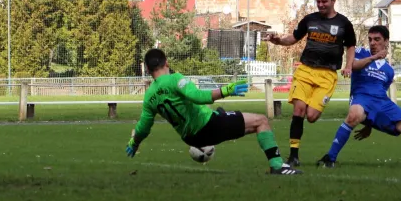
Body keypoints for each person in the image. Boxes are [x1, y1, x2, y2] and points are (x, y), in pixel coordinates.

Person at [125, 48, 303, 176]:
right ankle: (278, 166)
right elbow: (198, 96)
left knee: (241, 122)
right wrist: (226, 91)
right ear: (167, 62)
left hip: (191, 138)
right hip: (208, 126)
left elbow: (143, 127)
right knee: (261, 121)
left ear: (148, 70)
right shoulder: (174, 79)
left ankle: (222, 115)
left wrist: (134, 143)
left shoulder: (149, 96)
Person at [316, 25, 401, 168]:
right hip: (361, 97)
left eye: (377, 39)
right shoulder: (361, 52)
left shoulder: (389, 70)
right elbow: (353, 66)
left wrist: (369, 124)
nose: (372, 42)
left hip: (382, 102)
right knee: (354, 115)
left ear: (386, 41)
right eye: (370, 39)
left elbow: (382, 92)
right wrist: (373, 57)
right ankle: (330, 158)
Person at [264, 0, 356, 166]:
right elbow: (294, 38)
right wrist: (279, 41)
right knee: (298, 110)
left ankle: (296, 149)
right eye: (318, 1)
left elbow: (350, 46)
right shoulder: (309, 20)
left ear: (333, 0)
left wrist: (349, 65)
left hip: (327, 75)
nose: (321, 5)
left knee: (312, 116)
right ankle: (294, 156)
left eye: (324, 1)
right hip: (305, 70)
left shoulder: (344, 23)